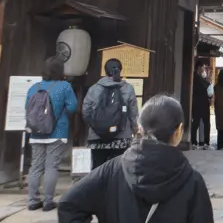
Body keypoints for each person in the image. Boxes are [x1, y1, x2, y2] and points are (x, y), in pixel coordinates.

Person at [58, 95, 214, 223]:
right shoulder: (192, 181)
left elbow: (68, 204)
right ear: (179, 131)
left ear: (140, 128)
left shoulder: (111, 171)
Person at [25, 57, 78, 212]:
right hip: (57, 130)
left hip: (35, 132)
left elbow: (27, 108)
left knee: (35, 166)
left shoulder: (34, 87)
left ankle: (33, 200)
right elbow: (72, 107)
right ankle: (48, 201)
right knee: (51, 166)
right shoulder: (64, 86)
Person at [83, 58, 139, 169]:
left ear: (105, 71)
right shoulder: (128, 88)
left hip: (97, 138)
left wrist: (95, 125)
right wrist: (135, 130)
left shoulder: (94, 89)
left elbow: (86, 111)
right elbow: (133, 114)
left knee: (98, 170)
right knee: (118, 170)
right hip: (121, 137)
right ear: (120, 70)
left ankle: (100, 187)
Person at [191, 60, 213, 149]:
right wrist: (209, 80)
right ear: (199, 67)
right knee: (203, 123)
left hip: (198, 103)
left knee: (196, 123)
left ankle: (196, 142)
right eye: (203, 67)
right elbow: (206, 87)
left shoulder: (197, 76)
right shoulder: (196, 77)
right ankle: (204, 143)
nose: (204, 69)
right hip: (201, 103)